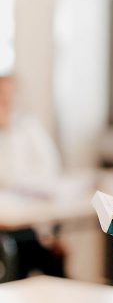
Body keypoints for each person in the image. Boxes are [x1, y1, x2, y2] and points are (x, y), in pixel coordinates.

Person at [0, 73, 66, 280]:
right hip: (7, 221)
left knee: (49, 256)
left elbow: (50, 167)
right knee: (20, 250)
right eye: (2, 95)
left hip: (29, 216)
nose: (7, 100)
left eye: (11, 95)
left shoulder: (28, 126)